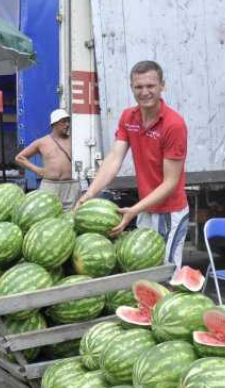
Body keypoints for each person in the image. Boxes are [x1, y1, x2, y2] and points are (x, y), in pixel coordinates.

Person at [75, 60, 189, 268]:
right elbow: (114, 159)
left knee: (166, 273)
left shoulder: (174, 124)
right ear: (131, 87)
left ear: (162, 86)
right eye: (139, 87)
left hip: (169, 212)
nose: (144, 92)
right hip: (145, 208)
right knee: (141, 268)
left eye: (150, 86)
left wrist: (134, 210)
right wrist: (90, 194)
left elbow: (170, 182)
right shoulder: (129, 117)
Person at [14, 108, 78, 210]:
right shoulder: (42, 142)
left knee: (70, 217)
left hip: (70, 186)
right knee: (47, 216)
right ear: (54, 124)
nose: (67, 125)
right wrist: (37, 170)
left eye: (68, 121)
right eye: (63, 121)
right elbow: (19, 158)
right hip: (49, 186)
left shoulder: (74, 141)